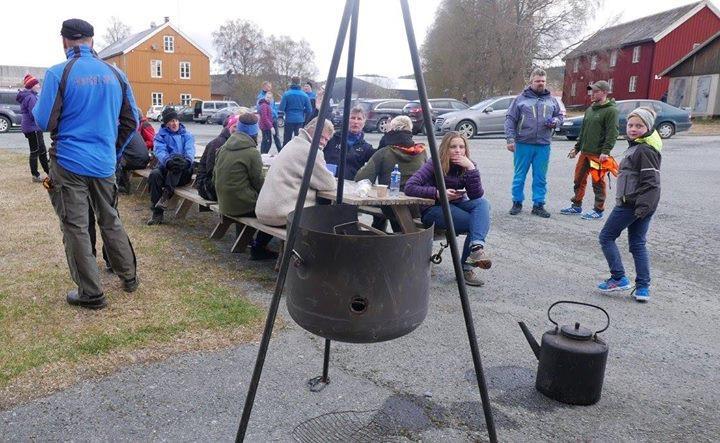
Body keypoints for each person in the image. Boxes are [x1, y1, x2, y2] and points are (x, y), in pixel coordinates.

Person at [32, 18, 139, 309]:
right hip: (104, 163)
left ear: (64, 41)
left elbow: (43, 121)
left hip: (69, 163)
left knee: (75, 226)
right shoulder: (115, 73)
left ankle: (91, 293)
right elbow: (133, 120)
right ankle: (128, 276)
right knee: (110, 218)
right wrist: (112, 151)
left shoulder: (58, 73)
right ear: (93, 40)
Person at [404, 132, 491, 287]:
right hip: (434, 209)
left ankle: (476, 247)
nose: (458, 150)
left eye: (461, 147)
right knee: (476, 222)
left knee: (483, 204)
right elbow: (410, 187)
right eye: (453, 147)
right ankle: (466, 268)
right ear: (445, 148)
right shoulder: (434, 163)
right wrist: (439, 193)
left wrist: (471, 168)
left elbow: (476, 195)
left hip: (456, 205)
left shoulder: (468, 165)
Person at [598, 107, 661, 302]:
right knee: (637, 244)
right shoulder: (638, 146)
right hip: (641, 205)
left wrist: (641, 208)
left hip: (633, 205)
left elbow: (651, 182)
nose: (633, 129)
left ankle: (618, 277)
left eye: (639, 126)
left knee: (606, 237)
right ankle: (643, 288)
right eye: (630, 124)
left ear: (648, 127)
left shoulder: (644, 149)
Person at [213, 113, 278, 260]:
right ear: (255, 132)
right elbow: (259, 183)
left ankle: (248, 240)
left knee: (242, 192)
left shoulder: (224, 147)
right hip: (239, 205)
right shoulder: (252, 152)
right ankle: (259, 249)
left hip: (224, 202)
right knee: (274, 212)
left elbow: (215, 176)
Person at [504, 68, 564, 218]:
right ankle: (517, 202)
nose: (540, 84)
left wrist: (555, 122)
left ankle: (538, 204)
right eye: (537, 81)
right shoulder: (520, 99)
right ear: (531, 82)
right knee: (519, 176)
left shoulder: (551, 100)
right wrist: (510, 139)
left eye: (543, 81)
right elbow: (510, 119)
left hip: (543, 145)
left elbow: (560, 116)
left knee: (540, 177)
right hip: (523, 144)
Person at [255, 117, 337, 227]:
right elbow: (329, 184)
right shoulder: (310, 150)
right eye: (321, 137)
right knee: (326, 220)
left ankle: (259, 243)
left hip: (264, 211)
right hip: (282, 215)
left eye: (326, 140)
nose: (323, 142)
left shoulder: (292, 143)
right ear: (311, 130)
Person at [355, 115, 427, 231]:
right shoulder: (422, 153)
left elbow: (361, 178)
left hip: (392, 206)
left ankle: (380, 236)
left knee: (382, 203)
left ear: (391, 132)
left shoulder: (384, 153)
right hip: (418, 206)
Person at [561, 80, 619, 220]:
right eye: (591, 91)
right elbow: (583, 131)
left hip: (598, 155)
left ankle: (598, 210)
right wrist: (576, 148)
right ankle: (576, 206)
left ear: (605, 92)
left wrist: (605, 151)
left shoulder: (611, 111)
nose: (592, 94)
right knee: (578, 180)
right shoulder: (590, 109)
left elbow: (612, 133)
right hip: (585, 153)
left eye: (596, 91)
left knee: (598, 183)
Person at [147, 107, 195, 225]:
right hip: (166, 166)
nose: (174, 123)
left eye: (176, 120)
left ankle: (166, 194)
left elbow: (190, 150)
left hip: (184, 171)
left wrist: (187, 160)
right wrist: (168, 161)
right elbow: (160, 151)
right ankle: (157, 213)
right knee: (154, 175)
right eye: (171, 121)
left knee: (178, 161)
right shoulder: (160, 136)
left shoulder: (187, 135)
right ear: (166, 123)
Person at [323, 106, 374, 179]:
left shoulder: (366, 148)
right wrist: (318, 111)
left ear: (364, 122)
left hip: (350, 186)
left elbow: (381, 158)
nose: (355, 122)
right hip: (328, 181)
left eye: (359, 119)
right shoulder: (331, 139)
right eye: (353, 118)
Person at [195, 114, 239, 201]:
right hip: (206, 185)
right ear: (228, 127)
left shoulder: (235, 142)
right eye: (234, 126)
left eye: (239, 127)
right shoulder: (218, 143)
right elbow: (211, 170)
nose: (237, 130)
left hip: (219, 182)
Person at [16, 74, 50, 182]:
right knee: (36, 151)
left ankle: (49, 172)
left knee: (41, 150)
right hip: (33, 128)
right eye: (37, 84)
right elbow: (34, 114)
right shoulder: (30, 97)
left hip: (33, 128)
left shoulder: (31, 96)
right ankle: (36, 175)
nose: (39, 85)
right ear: (32, 86)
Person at [279, 76, 312, 147]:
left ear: (291, 82)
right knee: (299, 140)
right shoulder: (305, 95)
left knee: (287, 140)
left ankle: (285, 155)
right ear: (299, 83)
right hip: (300, 120)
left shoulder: (286, 94)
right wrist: (303, 112)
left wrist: (287, 110)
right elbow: (309, 110)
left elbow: (281, 108)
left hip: (289, 119)